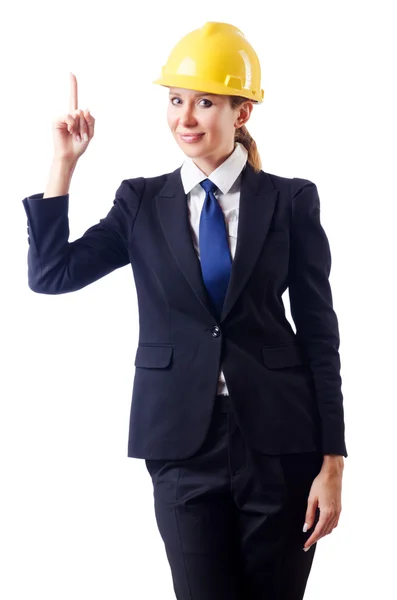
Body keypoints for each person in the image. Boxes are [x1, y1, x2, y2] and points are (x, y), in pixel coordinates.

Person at [22, 21, 347, 600]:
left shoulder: (291, 200)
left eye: (205, 101)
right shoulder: (140, 202)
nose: (186, 117)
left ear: (242, 112)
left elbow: (320, 335)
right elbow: (52, 275)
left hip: (282, 444)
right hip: (181, 446)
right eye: (176, 100)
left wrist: (333, 463)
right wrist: (64, 165)